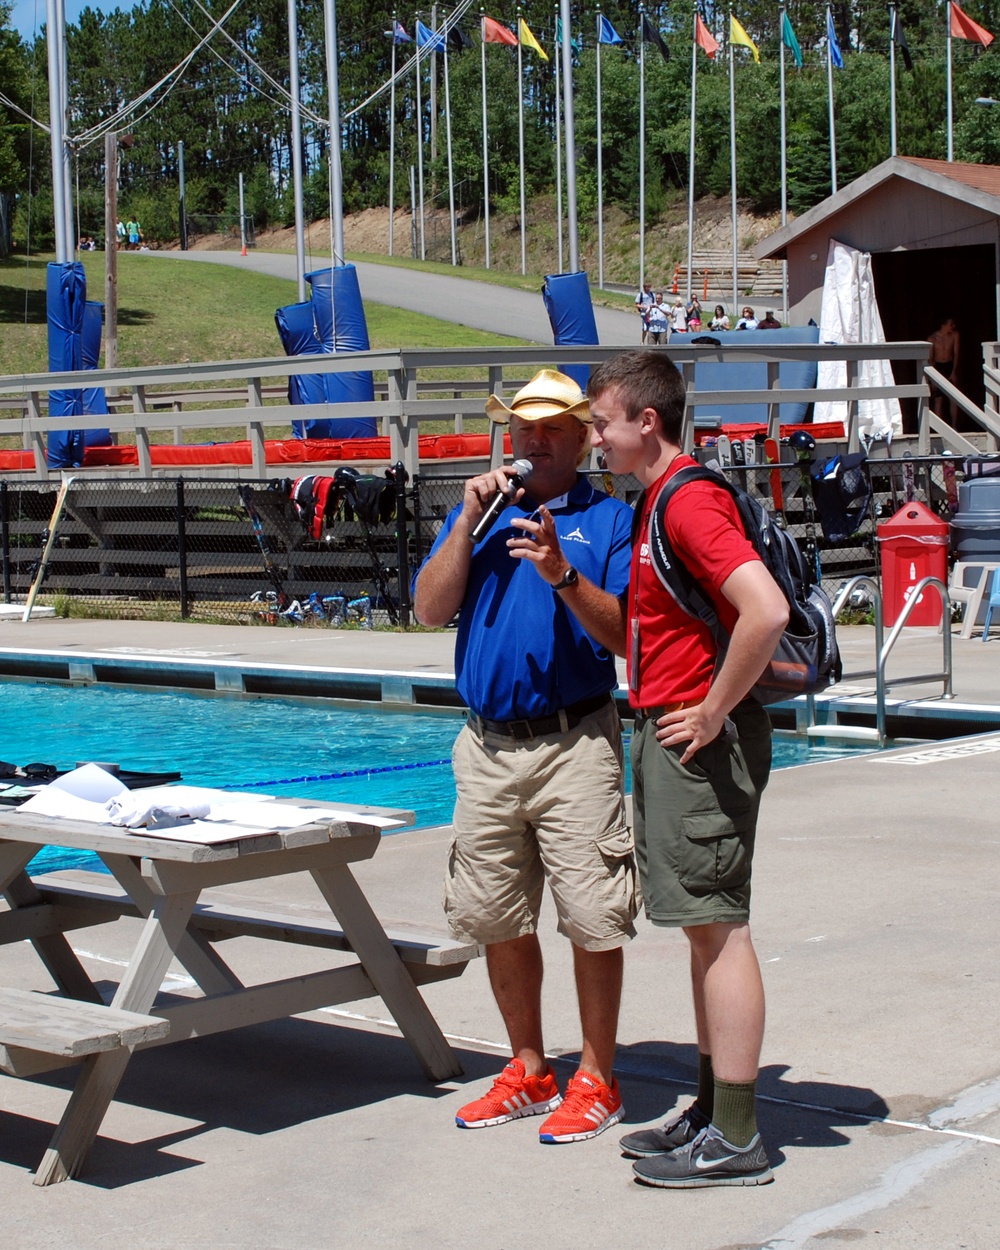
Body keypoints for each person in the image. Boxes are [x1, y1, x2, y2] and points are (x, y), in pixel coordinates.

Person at [413, 368, 637, 1146]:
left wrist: (559, 571)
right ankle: (529, 1068)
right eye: (524, 429)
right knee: (497, 914)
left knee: (593, 917)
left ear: (582, 439)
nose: (534, 442)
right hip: (486, 747)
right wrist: (469, 522)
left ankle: (599, 1079)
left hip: (575, 744)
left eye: (552, 429)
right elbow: (429, 608)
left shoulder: (608, 520)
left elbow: (623, 638)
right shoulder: (478, 513)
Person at [587, 349, 789, 1189]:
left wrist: (711, 709)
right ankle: (713, 1111)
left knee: (721, 927)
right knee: (702, 930)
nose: (593, 438)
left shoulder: (688, 504)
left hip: (700, 743)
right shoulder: (655, 503)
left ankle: (737, 1135)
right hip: (671, 739)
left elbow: (766, 610)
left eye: (601, 424)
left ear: (647, 423)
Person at [928, 317, 961, 423]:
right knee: (938, 399)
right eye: (951, 324)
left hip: (949, 366)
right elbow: (930, 359)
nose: (953, 326)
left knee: (953, 397)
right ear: (944, 325)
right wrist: (932, 378)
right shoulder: (932, 338)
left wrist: (954, 372)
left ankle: (954, 425)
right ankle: (939, 427)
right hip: (938, 367)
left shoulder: (954, 335)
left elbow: (956, 354)